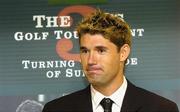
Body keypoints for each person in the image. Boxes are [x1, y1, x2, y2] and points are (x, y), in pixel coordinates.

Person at [42, 9, 179, 112]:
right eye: (85, 51)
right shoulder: (56, 109)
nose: (90, 60)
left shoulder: (161, 109)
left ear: (123, 53)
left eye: (101, 50)